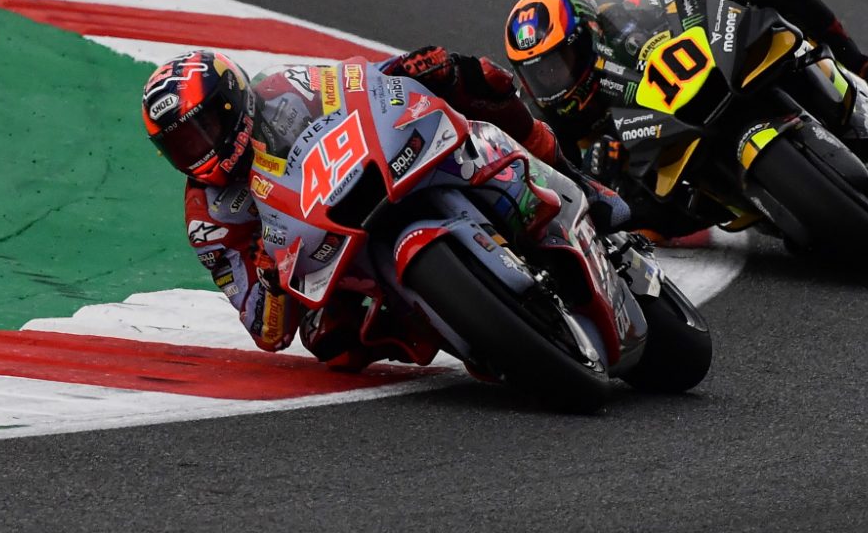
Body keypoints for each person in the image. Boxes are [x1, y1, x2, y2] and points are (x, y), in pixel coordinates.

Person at [140, 48, 630, 365]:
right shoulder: (210, 216)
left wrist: (408, 67)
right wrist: (269, 277)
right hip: (330, 252)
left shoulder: (286, 90)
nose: (197, 151)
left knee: (474, 76)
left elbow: (357, 81)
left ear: (233, 101)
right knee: (331, 342)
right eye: (180, 146)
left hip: (382, 168)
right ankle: (449, 319)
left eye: (201, 131)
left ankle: (576, 179)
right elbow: (265, 332)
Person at [503, 0, 868, 165]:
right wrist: (601, 167)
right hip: (668, 169)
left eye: (558, 61)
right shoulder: (557, 121)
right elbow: (565, 180)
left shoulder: (621, 14)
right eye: (538, 73)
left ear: (588, 33)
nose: (552, 79)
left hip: (710, 77)